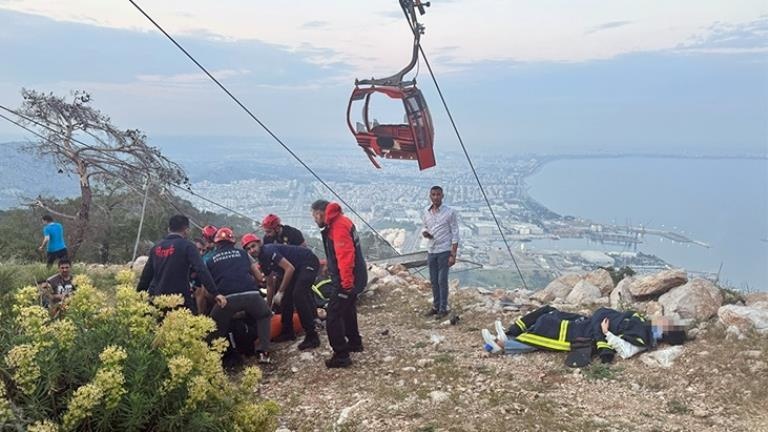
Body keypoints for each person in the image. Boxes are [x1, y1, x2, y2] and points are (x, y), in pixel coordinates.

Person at [481, 306, 686, 365]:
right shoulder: (641, 322)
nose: (664, 318)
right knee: (548, 311)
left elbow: (626, 351)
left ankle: (502, 344)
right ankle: (510, 332)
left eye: (668, 323)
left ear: (665, 331)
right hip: (589, 322)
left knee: (548, 332)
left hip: (588, 333)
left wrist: (606, 334)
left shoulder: (644, 338)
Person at [311, 200, 368, 368]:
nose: (314, 220)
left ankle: (341, 355)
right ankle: (355, 342)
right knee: (348, 308)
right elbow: (339, 252)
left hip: (348, 278)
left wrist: (346, 284)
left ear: (320, 213)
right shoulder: (340, 221)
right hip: (353, 275)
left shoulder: (338, 227)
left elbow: (346, 256)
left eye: (314, 215)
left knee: (333, 315)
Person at [243, 233, 321, 350]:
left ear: (259, 244)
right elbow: (269, 284)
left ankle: (312, 336)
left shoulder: (269, 251)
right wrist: (268, 307)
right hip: (297, 268)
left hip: (307, 262)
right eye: (248, 249)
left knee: (298, 295)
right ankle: (287, 331)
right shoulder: (262, 260)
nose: (252, 250)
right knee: (286, 300)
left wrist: (280, 291)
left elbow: (289, 268)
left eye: (253, 246)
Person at [206, 227, 273, 365]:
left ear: (216, 243)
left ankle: (216, 358)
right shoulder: (243, 253)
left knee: (213, 325)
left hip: (226, 299)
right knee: (264, 315)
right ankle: (264, 352)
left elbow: (207, 288)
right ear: (232, 242)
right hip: (251, 295)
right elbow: (259, 277)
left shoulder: (210, 259)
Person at [137, 215, 225, 311]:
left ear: (168, 229)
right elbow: (201, 270)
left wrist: (137, 295)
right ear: (186, 230)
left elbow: (146, 276)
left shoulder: (156, 248)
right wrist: (216, 293)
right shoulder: (188, 247)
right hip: (179, 301)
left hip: (157, 301)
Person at [421, 186, 460, 318]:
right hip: (431, 250)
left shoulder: (450, 212)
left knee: (441, 280)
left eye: (438, 195)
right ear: (430, 196)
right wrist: (425, 234)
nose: (436, 197)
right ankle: (436, 306)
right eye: (433, 195)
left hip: (444, 250)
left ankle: (443, 308)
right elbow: (425, 226)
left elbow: (455, 233)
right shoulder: (426, 211)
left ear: (442, 196)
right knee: (433, 280)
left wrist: (453, 254)